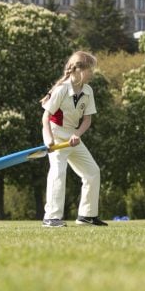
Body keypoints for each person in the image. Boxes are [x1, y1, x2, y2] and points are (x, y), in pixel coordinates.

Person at [40, 51, 107, 227]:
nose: (92, 73)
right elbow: (45, 118)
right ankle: (51, 217)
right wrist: (49, 140)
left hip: (72, 136)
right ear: (78, 69)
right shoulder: (61, 89)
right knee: (58, 172)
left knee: (92, 171)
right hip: (55, 135)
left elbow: (87, 119)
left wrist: (77, 134)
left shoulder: (88, 90)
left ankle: (86, 215)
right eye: (90, 69)